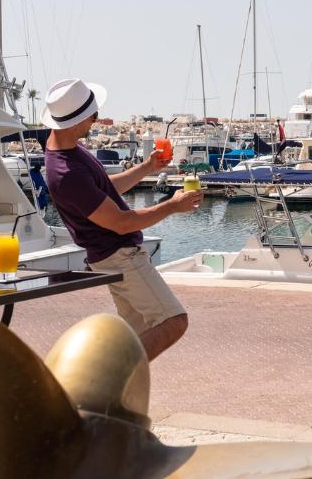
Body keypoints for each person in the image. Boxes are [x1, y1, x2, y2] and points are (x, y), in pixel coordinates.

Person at [42, 78, 203, 363]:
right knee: (173, 322)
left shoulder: (69, 150)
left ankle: (111, 395)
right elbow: (121, 222)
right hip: (119, 255)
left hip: (113, 255)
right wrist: (172, 206)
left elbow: (104, 190)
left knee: (136, 335)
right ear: (80, 119)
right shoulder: (67, 171)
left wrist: (147, 167)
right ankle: (106, 382)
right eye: (93, 115)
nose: (95, 121)